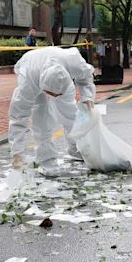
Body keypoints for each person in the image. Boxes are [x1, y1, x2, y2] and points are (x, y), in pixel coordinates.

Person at [9, 47, 96, 176]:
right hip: (32, 70)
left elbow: (86, 77)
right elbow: (18, 118)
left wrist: (87, 97)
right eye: (51, 93)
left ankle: (75, 147)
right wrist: (17, 152)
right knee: (41, 120)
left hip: (58, 77)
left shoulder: (74, 62)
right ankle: (47, 160)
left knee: (71, 114)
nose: (54, 97)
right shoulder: (28, 82)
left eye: (57, 94)